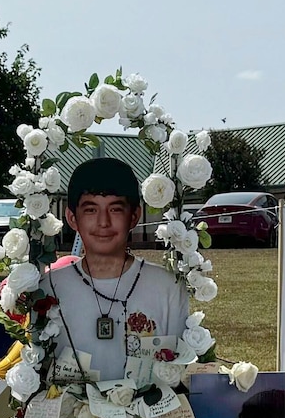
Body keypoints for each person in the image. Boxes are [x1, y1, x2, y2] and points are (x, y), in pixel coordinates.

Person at [42, 157, 189, 383]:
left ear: (134, 216)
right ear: (72, 218)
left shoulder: (168, 286)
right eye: (91, 210)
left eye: (115, 209)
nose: (103, 222)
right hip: (69, 417)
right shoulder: (49, 288)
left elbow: (180, 370)